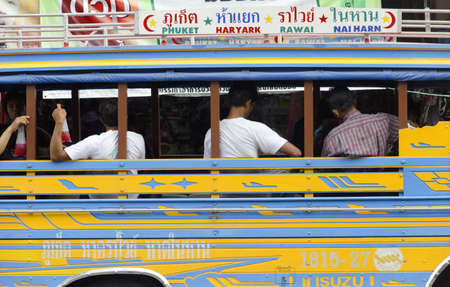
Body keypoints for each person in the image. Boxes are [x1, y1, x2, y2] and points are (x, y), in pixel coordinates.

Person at [50, 101, 145, 199]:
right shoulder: (138, 138)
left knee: (87, 175)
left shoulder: (95, 141)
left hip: (100, 201)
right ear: (124, 117)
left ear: (101, 120)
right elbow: (140, 167)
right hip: (131, 199)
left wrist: (59, 122)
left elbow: (56, 155)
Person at [203, 83, 301, 158]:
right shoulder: (255, 128)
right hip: (250, 183)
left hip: (220, 183)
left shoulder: (211, 131)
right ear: (249, 103)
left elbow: (207, 164)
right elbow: (296, 152)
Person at [321, 88, 398, 157]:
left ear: (335, 112)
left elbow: (323, 167)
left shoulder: (333, 137)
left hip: (348, 173)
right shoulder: (383, 120)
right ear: (355, 102)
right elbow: (409, 128)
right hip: (382, 172)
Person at [0, 92, 29, 159]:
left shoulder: (34, 129)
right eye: (11, 106)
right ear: (6, 110)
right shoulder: (1, 129)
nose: (15, 109)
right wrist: (11, 128)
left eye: (19, 106)